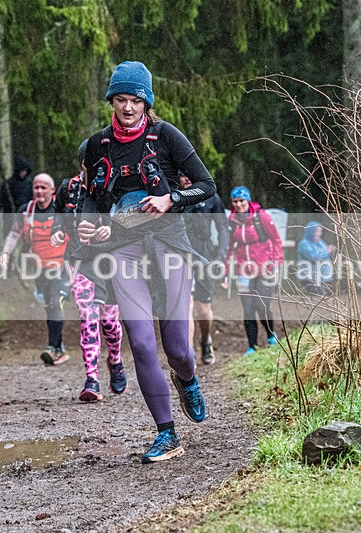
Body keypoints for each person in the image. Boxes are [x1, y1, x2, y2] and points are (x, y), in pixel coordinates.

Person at [75, 61, 215, 464]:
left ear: (146, 102)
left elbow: (207, 186)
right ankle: (166, 434)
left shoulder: (166, 136)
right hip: (123, 247)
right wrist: (89, 225)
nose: (128, 107)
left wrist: (170, 198)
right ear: (111, 101)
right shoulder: (96, 145)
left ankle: (187, 380)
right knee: (139, 342)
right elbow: (89, 198)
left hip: (169, 240)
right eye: (121, 99)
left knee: (177, 348)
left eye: (136, 100)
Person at [51, 141, 126, 402]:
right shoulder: (68, 188)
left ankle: (115, 359)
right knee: (88, 316)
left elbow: (130, 220)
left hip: (110, 260)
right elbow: (58, 214)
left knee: (110, 323)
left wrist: (112, 229)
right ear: (84, 163)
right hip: (79, 260)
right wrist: (58, 231)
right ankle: (91, 379)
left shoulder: (116, 186)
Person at [0, 172, 69, 366]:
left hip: (63, 266)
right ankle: (59, 348)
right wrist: (5, 254)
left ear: (52, 190)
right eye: (36, 187)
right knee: (50, 307)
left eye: (43, 187)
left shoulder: (62, 209)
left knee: (56, 302)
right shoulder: (26, 211)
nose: (39, 191)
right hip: (40, 269)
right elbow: (14, 234)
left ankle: (52, 347)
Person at [223, 186, 283, 356]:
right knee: (248, 308)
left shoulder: (261, 217)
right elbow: (229, 248)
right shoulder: (232, 221)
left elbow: (276, 240)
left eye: (242, 201)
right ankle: (252, 346)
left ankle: (271, 336)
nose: (239, 204)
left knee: (261, 304)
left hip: (265, 268)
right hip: (243, 270)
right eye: (235, 201)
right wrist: (226, 271)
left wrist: (276, 263)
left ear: (247, 200)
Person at [180, 172, 229, 365]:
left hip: (205, 255)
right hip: (180, 257)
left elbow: (223, 228)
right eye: (182, 175)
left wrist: (220, 256)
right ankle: (188, 352)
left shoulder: (210, 197)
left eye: (189, 173)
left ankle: (206, 339)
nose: (187, 178)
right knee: (187, 306)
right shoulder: (174, 198)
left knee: (203, 308)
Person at [297, 221, 337, 296]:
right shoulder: (304, 244)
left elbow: (326, 254)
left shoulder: (320, 242)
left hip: (324, 278)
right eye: (317, 231)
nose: (319, 234)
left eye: (320, 231)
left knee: (327, 299)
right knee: (319, 299)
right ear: (311, 231)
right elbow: (314, 257)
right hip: (310, 279)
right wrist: (328, 250)